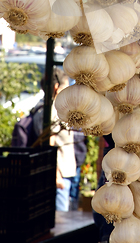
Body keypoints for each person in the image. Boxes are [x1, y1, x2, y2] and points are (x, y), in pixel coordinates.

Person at [32, 68, 78, 212]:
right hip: (60, 176)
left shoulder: (47, 109)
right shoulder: (53, 111)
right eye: (66, 88)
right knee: (60, 219)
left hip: (64, 174)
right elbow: (49, 144)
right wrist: (56, 174)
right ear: (57, 88)